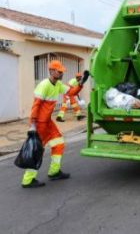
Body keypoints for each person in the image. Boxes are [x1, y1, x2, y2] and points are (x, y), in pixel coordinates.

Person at [21, 60, 89, 188]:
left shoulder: (57, 84)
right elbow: (36, 105)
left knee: (58, 143)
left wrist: (81, 83)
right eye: (59, 71)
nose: (62, 73)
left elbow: (71, 92)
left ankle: (54, 171)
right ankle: (28, 180)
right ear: (51, 71)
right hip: (40, 123)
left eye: (62, 71)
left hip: (47, 122)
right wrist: (32, 124)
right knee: (37, 150)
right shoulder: (44, 85)